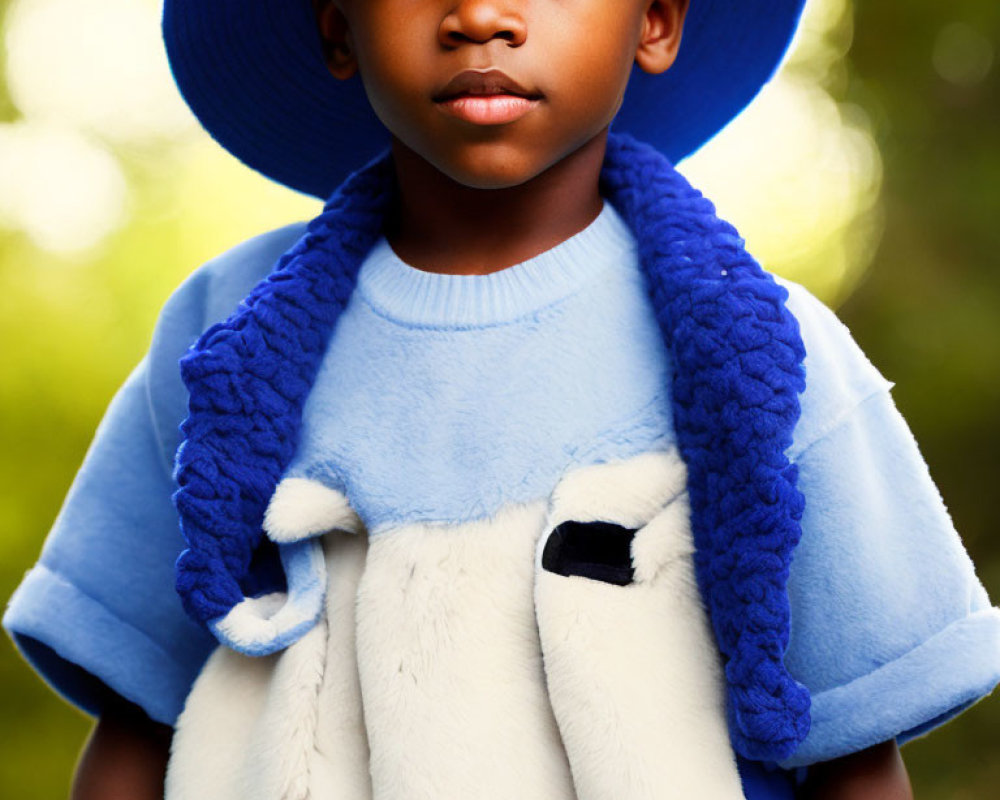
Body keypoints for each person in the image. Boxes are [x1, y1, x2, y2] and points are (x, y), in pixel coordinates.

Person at [4, 0, 999, 798]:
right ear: (335, 28)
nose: (480, 15)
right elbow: (139, 722)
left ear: (653, 21)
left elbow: (853, 755)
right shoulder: (227, 339)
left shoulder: (764, 358)